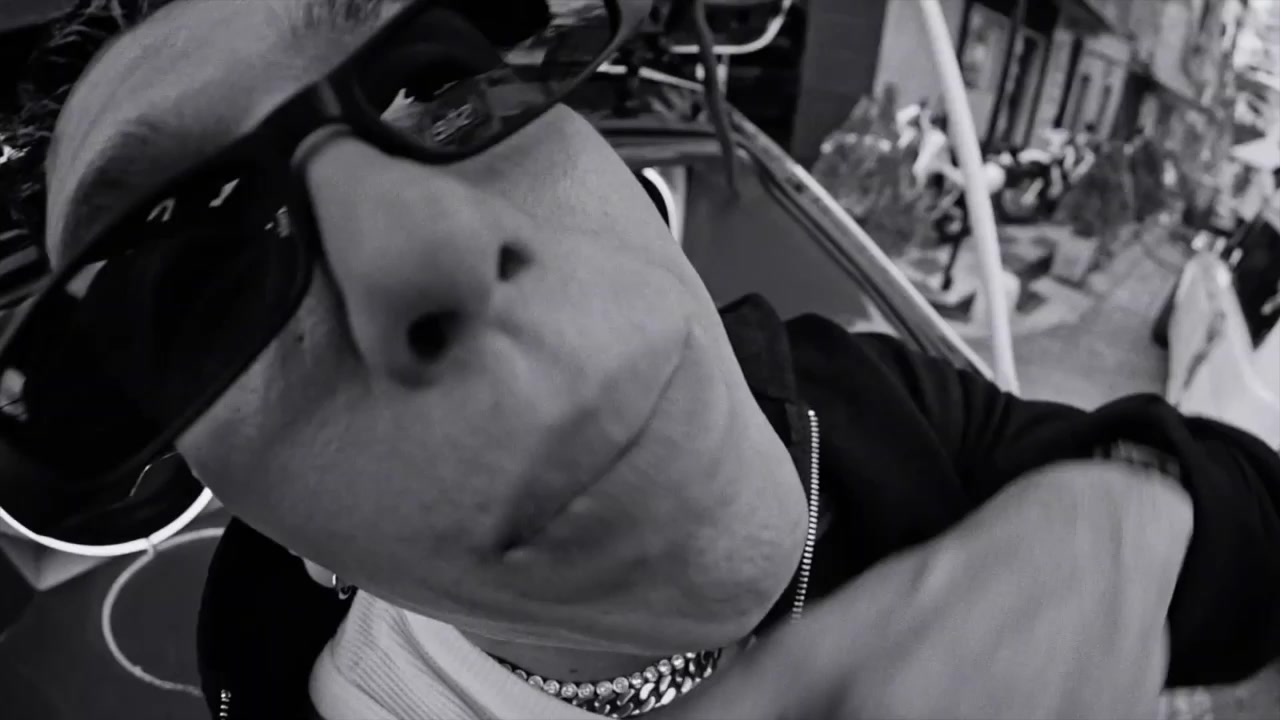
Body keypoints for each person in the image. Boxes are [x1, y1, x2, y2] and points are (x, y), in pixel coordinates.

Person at [5, 0, 1280, 718]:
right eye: (197, 290)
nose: (430, 250)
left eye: (437, 84)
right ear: (285, 535)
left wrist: (1111, 519)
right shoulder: (268, 672)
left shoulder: (846, 392)